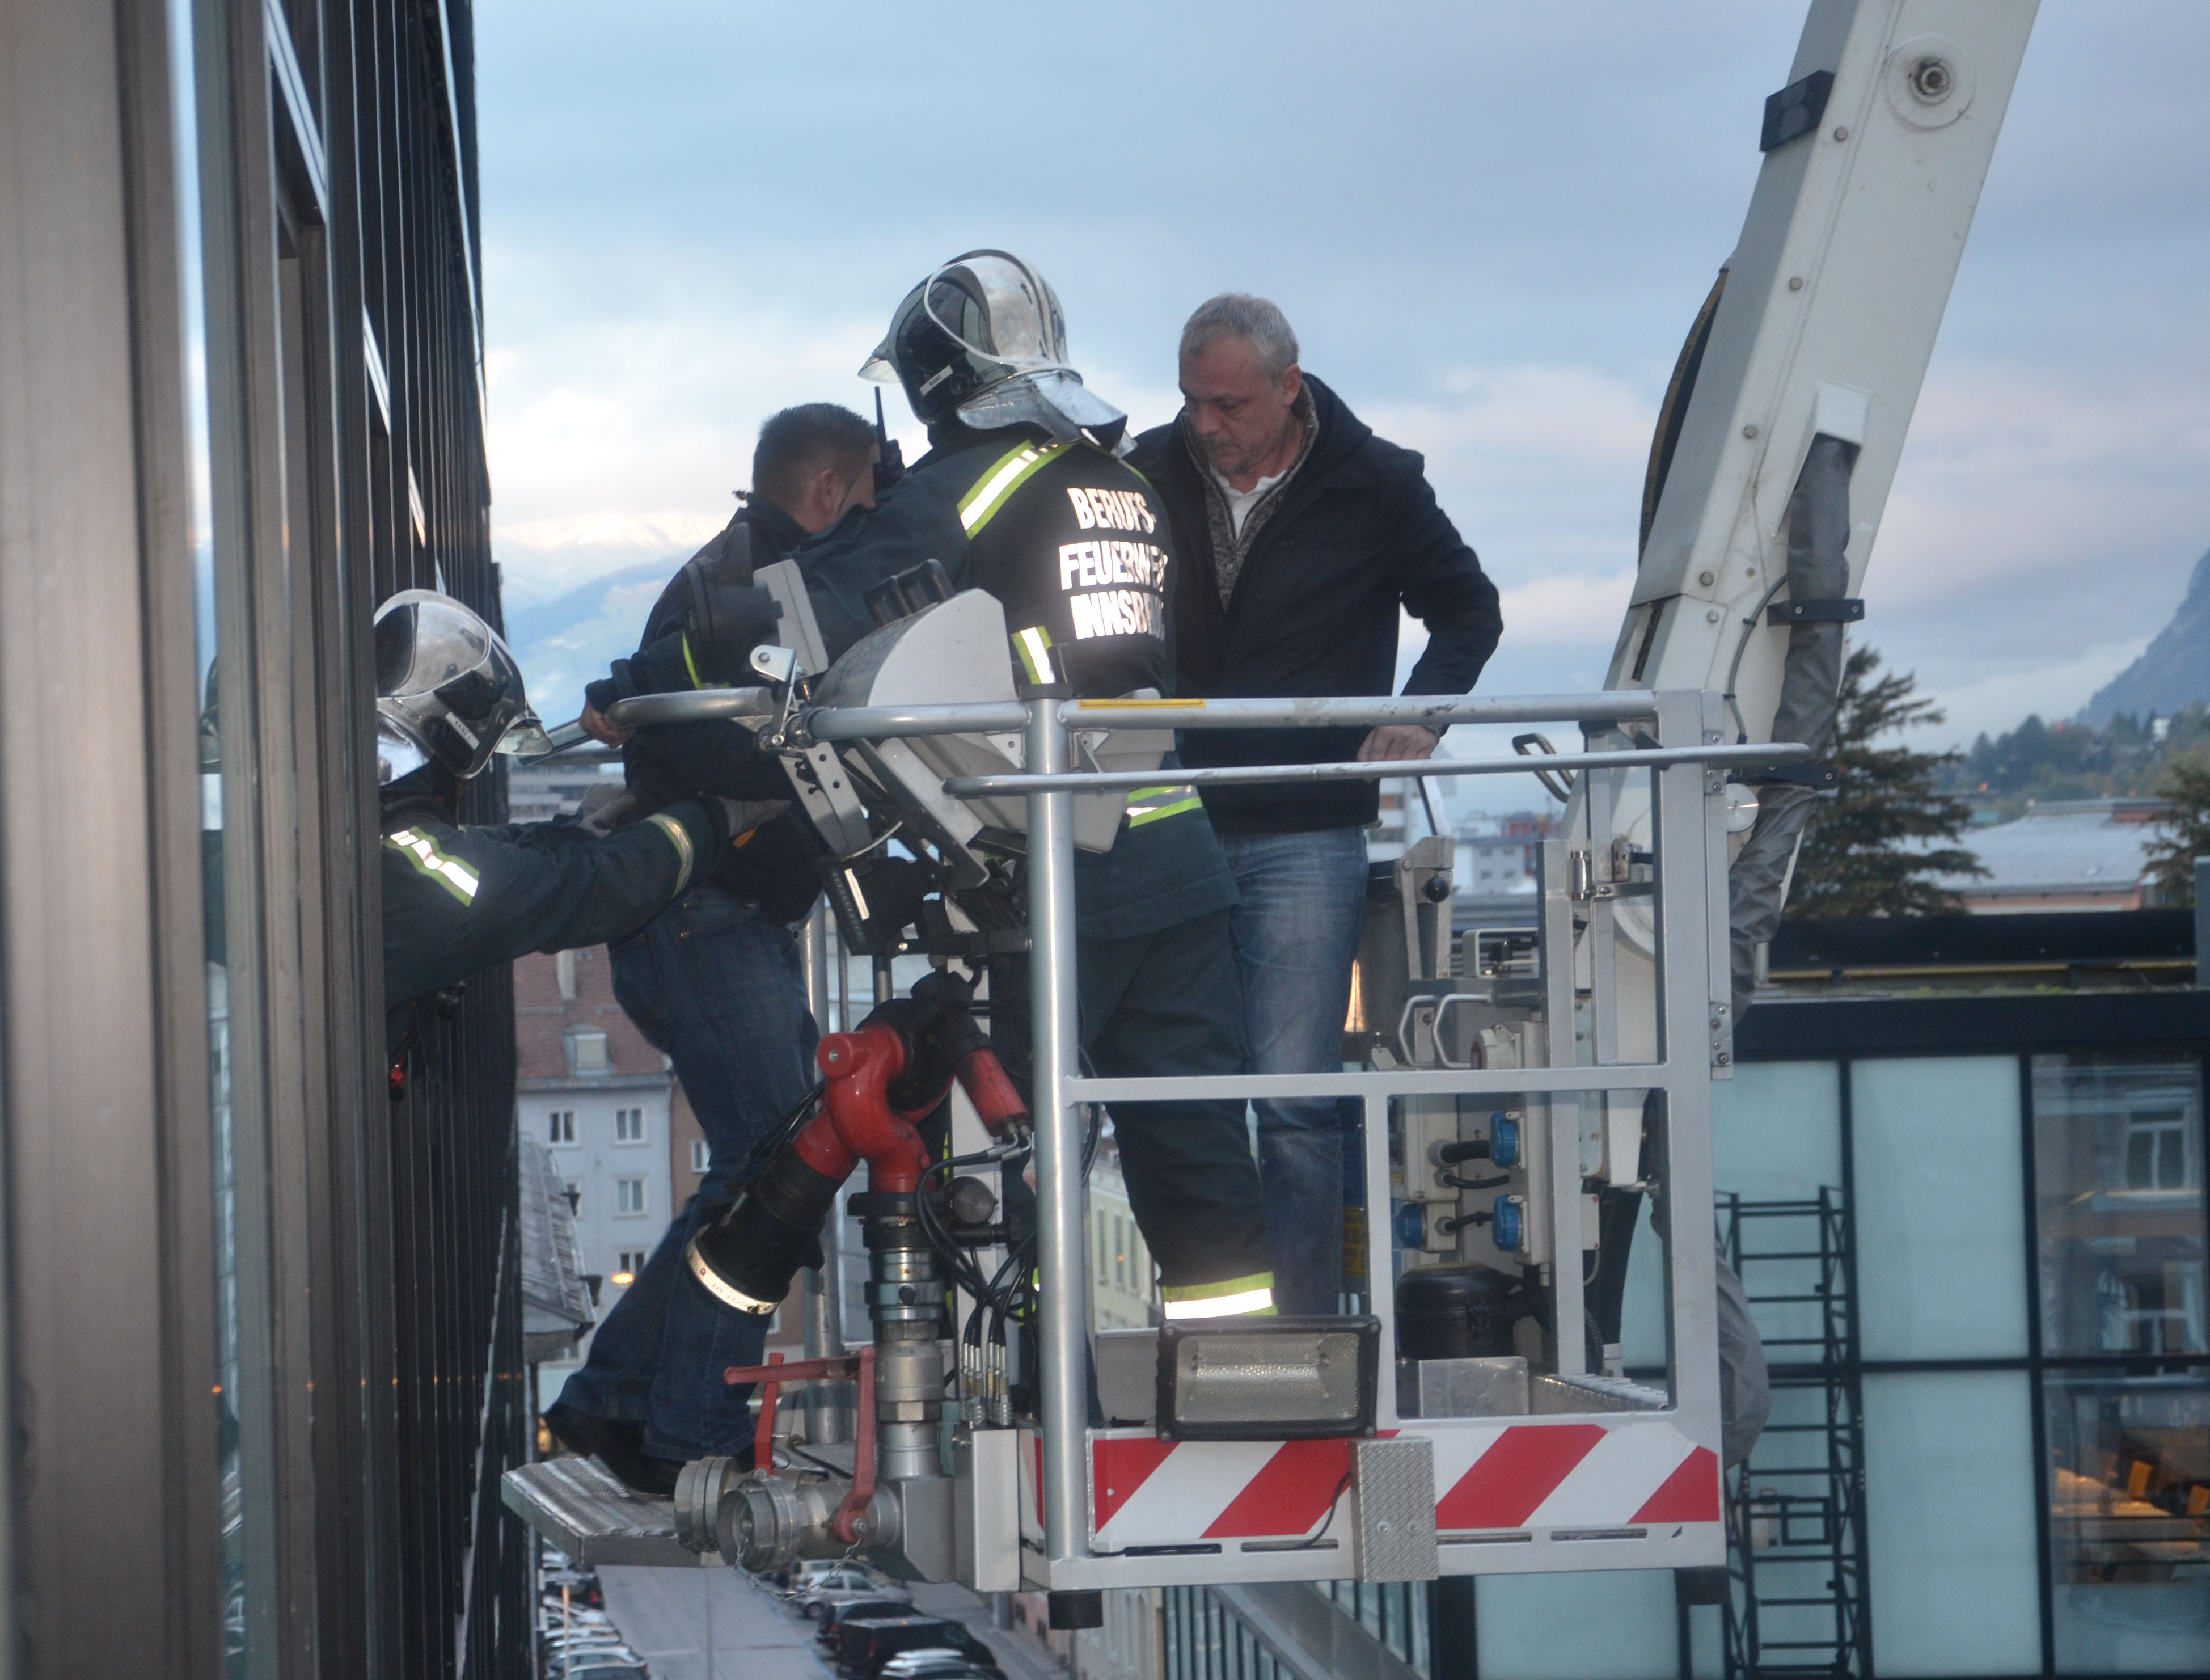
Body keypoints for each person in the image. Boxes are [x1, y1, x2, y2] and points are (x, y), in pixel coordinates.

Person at [795, 250, 1278, 1325]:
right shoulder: (1123, 481)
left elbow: (837, 598)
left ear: (935, 380)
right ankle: (1243, 1382)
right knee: (1192, 1137)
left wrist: (677, 666)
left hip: (1059, 861)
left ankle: (1025, 1398)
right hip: (1175, 854)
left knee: (1008, 1141)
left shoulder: (976, 478)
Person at [1129, 294, 1503, 1316]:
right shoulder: (1142, 475)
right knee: (1171, 1096)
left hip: (1304, 831)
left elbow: (1469, 606)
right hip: (1168, 824)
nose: (1205, 425)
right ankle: (1201, 1316)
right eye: (1191, 402)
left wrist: (1421, 717)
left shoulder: (1377, 484)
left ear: (1288, 389)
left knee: (1295, 1101)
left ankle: (1300, 1335)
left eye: (1228, 404)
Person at [546, 405, 879, 1492]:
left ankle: (616, 1400)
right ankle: (686, 1418)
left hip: (708, 916)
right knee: (772, 1171)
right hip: (710, 915)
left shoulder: (728, 578)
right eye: (873, 498)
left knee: (764, 1161)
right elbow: (687, 725)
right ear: (830, 490)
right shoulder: (757, 599)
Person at [374, 589, 763, 1036]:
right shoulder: (421, 876)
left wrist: (570, 836)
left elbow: (481, 853)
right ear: (450, 743)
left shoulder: (376, 825)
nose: (466, 787)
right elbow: (585, 888)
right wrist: (714, 819)